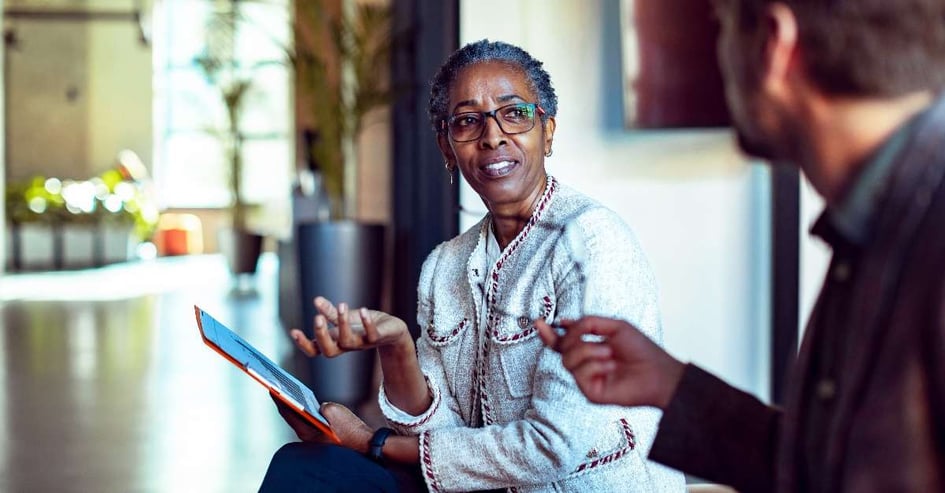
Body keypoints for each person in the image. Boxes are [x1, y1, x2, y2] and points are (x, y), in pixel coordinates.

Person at [538, 0, 945, 492]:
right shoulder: (881, 218)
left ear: (775, 44)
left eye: (722, 27)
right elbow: (828, 469)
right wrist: (672, 386)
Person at [259, 39, 685, 492]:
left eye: (514, 113)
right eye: (467, 121)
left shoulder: (592, 243)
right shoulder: (445, 266)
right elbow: (436, 435)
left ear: (548, 131)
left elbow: (553, 447)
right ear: (447, 147)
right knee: (305, 465)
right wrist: (398, 345)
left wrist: (371, 443)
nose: (493, 135)